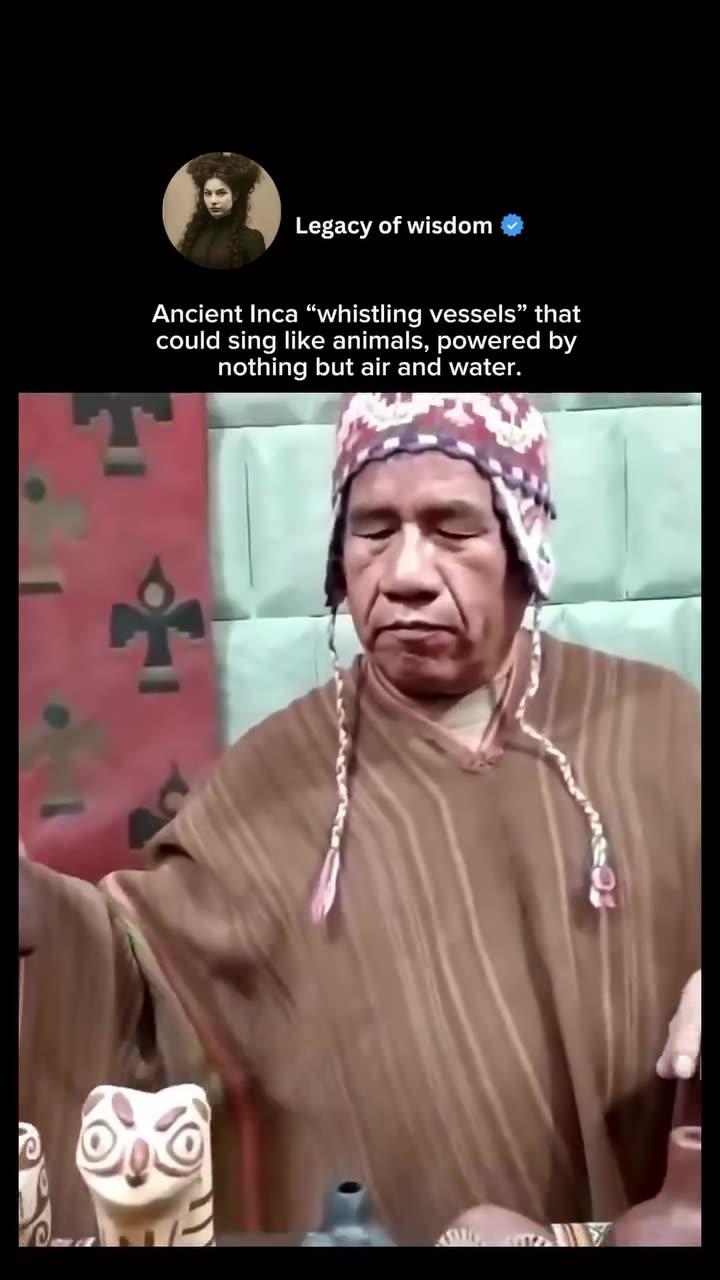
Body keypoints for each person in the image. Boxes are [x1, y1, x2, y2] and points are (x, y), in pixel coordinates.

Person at [18, 393, 701, 1245]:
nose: (407, 572)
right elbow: (141, 982)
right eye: (374, 531)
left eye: (452, 529)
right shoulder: (277, 777)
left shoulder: (660, 731)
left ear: (524, 548)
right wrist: (40, 915)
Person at [175, 152, 266, 270]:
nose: (213, 201)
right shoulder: (195, 234)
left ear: (235, 195)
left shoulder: (251, 239)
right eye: (208, 193)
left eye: (221, 193)